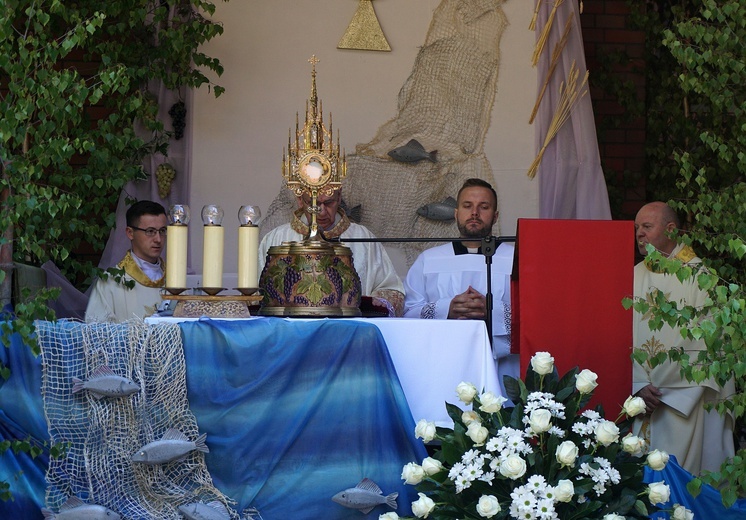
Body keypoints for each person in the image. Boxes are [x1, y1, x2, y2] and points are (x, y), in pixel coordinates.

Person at [632, 201, 735, 475]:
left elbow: (706, 343)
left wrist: (657, 387)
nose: (639, 234)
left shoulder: (702, 278)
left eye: (647, 227)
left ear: (671, 230)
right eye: (636, 228)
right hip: (642, 397)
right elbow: (620, 336)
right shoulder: (631, 276)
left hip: (686, 399)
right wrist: (638, 382)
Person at [403, 178, 516, 396]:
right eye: (467, 206)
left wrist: (491, 311)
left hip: (502, 369)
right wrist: (448, 308)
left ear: (495, 216)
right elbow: (408, 313)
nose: (475, 213)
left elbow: (535, 316)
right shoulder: (430, 259)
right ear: (456, 213)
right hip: (443, 366)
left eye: (484, 207)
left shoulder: (516, 259)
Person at [258, 188, 405, 316]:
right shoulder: (276, 238)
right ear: (300, 200)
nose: (321, 212)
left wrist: (381, 301)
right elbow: (256, 294)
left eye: (328, 203)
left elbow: (391, 289)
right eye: (313, 204)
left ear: (339, 197)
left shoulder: (363, 238)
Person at [86, 200, 168, 322]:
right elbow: (97, 336)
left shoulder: (176, 281)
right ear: (130, 233)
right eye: (150, 231)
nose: (158, 239)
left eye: (162, 231)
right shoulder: (110, 283)